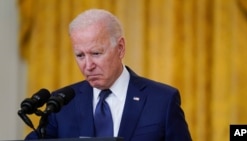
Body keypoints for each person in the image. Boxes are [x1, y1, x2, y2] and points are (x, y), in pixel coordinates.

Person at [25, 8, 192, 141]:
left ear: (120, 48)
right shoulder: (61, 104)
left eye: (96, 53)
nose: (88, 66)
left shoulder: (162, 101)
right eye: (80, 56)